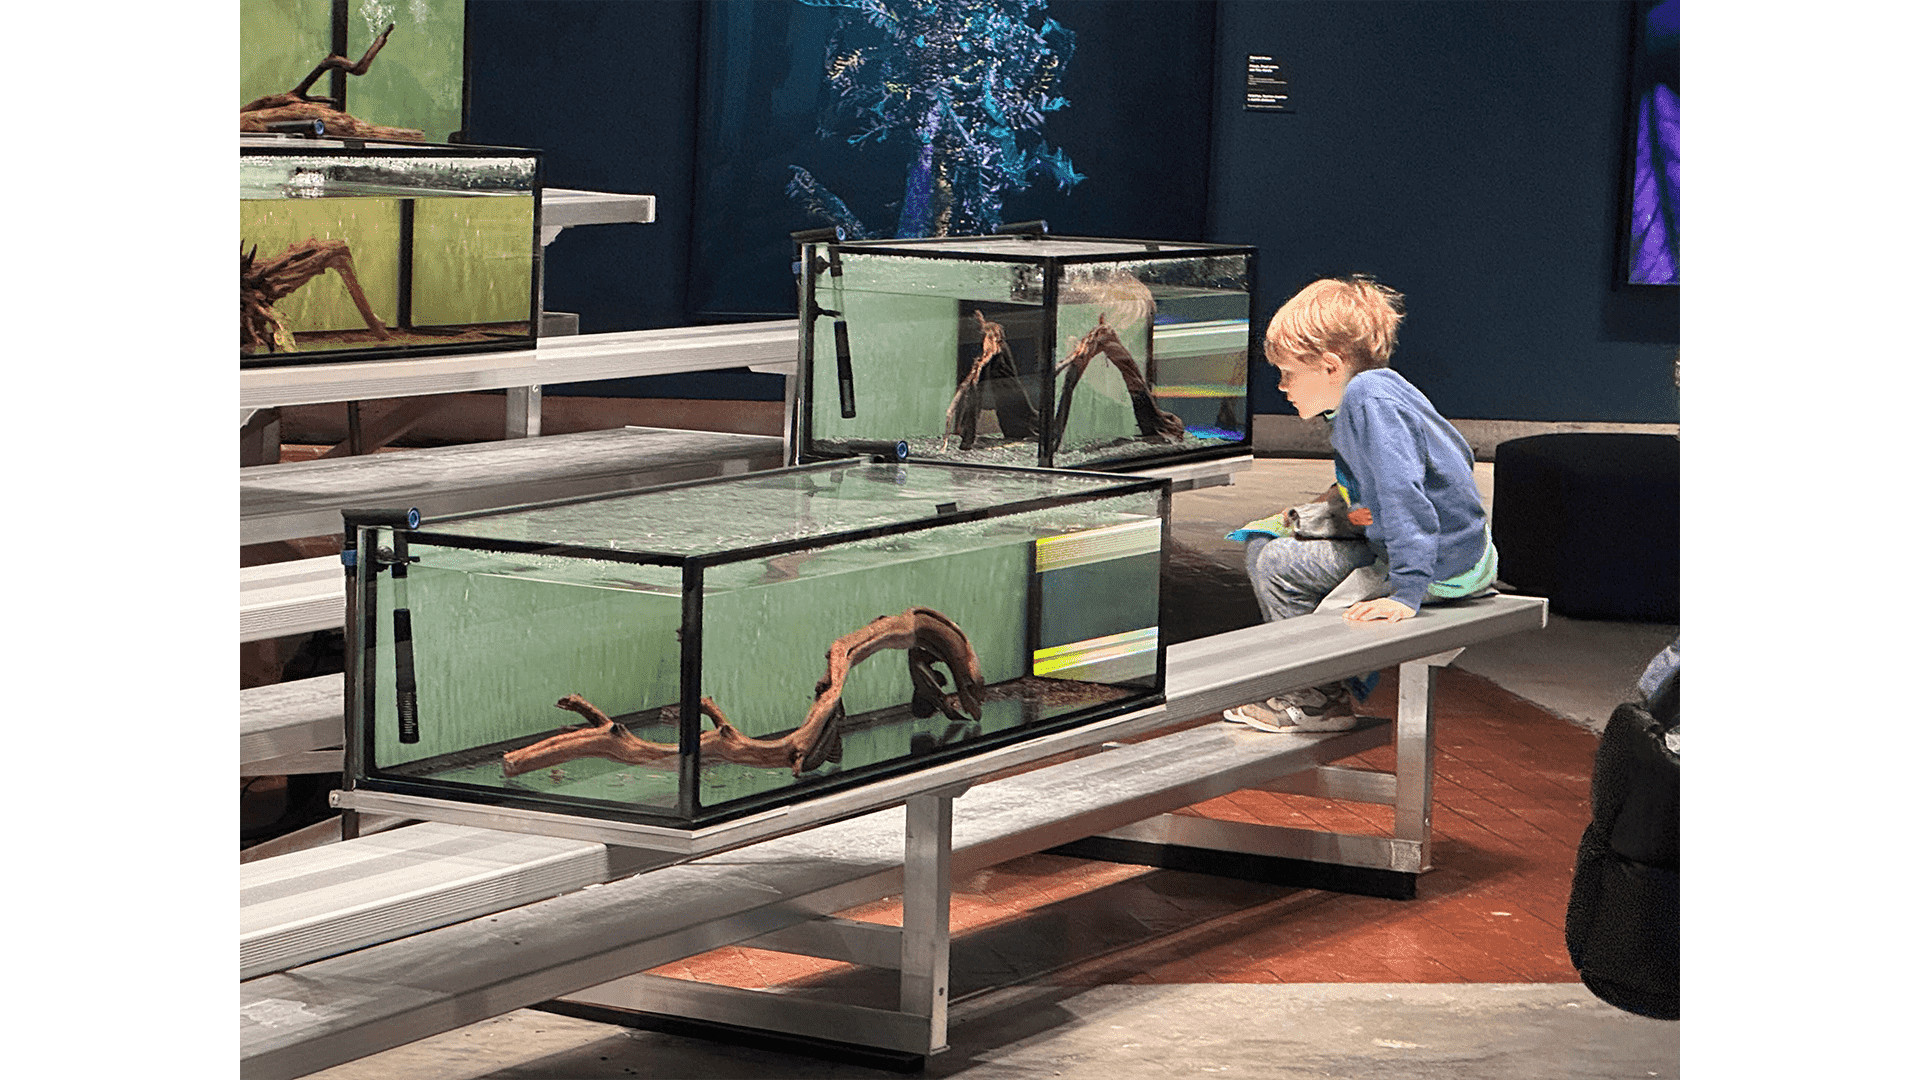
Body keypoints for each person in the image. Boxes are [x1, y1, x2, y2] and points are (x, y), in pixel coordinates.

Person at [1225, 275, 1497, 732]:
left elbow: (1403, 494)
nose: (1281, 386)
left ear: (1331, 366)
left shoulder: (1368, 403)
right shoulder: (1378, 392)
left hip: (1438, 567)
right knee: (1266, 540)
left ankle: (1315, 698)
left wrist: (1408, 591)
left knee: (1274, 563)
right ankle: (1316, 687)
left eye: (1289, 372)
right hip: (1454, 553)